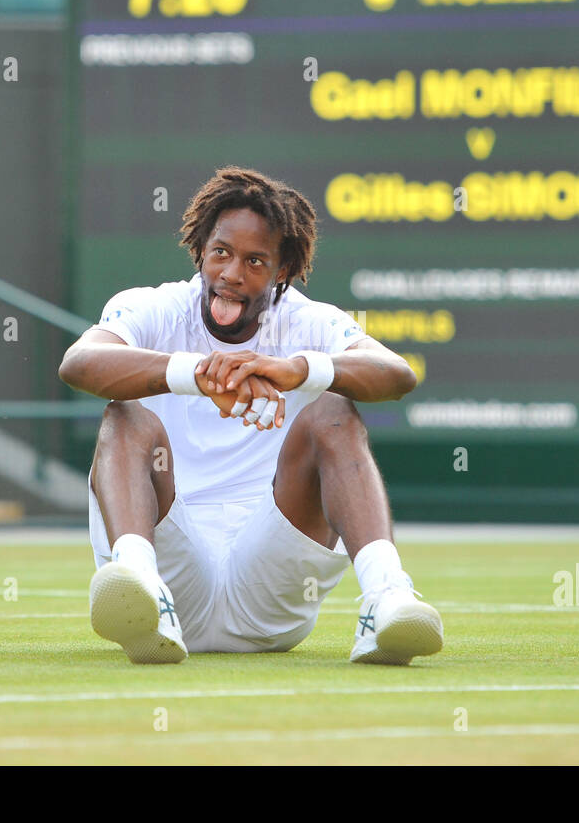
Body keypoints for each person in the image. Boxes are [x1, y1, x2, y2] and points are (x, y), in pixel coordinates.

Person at [58, 166, 442, 665]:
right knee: (124, 414)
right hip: (173, 578)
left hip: (271, 589)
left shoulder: (308, 321)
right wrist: (199, 375)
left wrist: (298, 370)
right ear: (200, 250)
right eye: (221, 252)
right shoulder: (150, 307)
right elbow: (79, 364)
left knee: (333, 411)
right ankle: (139, 582)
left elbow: (396, 375)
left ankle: (388, 598)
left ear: (282, 271)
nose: (232, 273)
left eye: (255, 261)